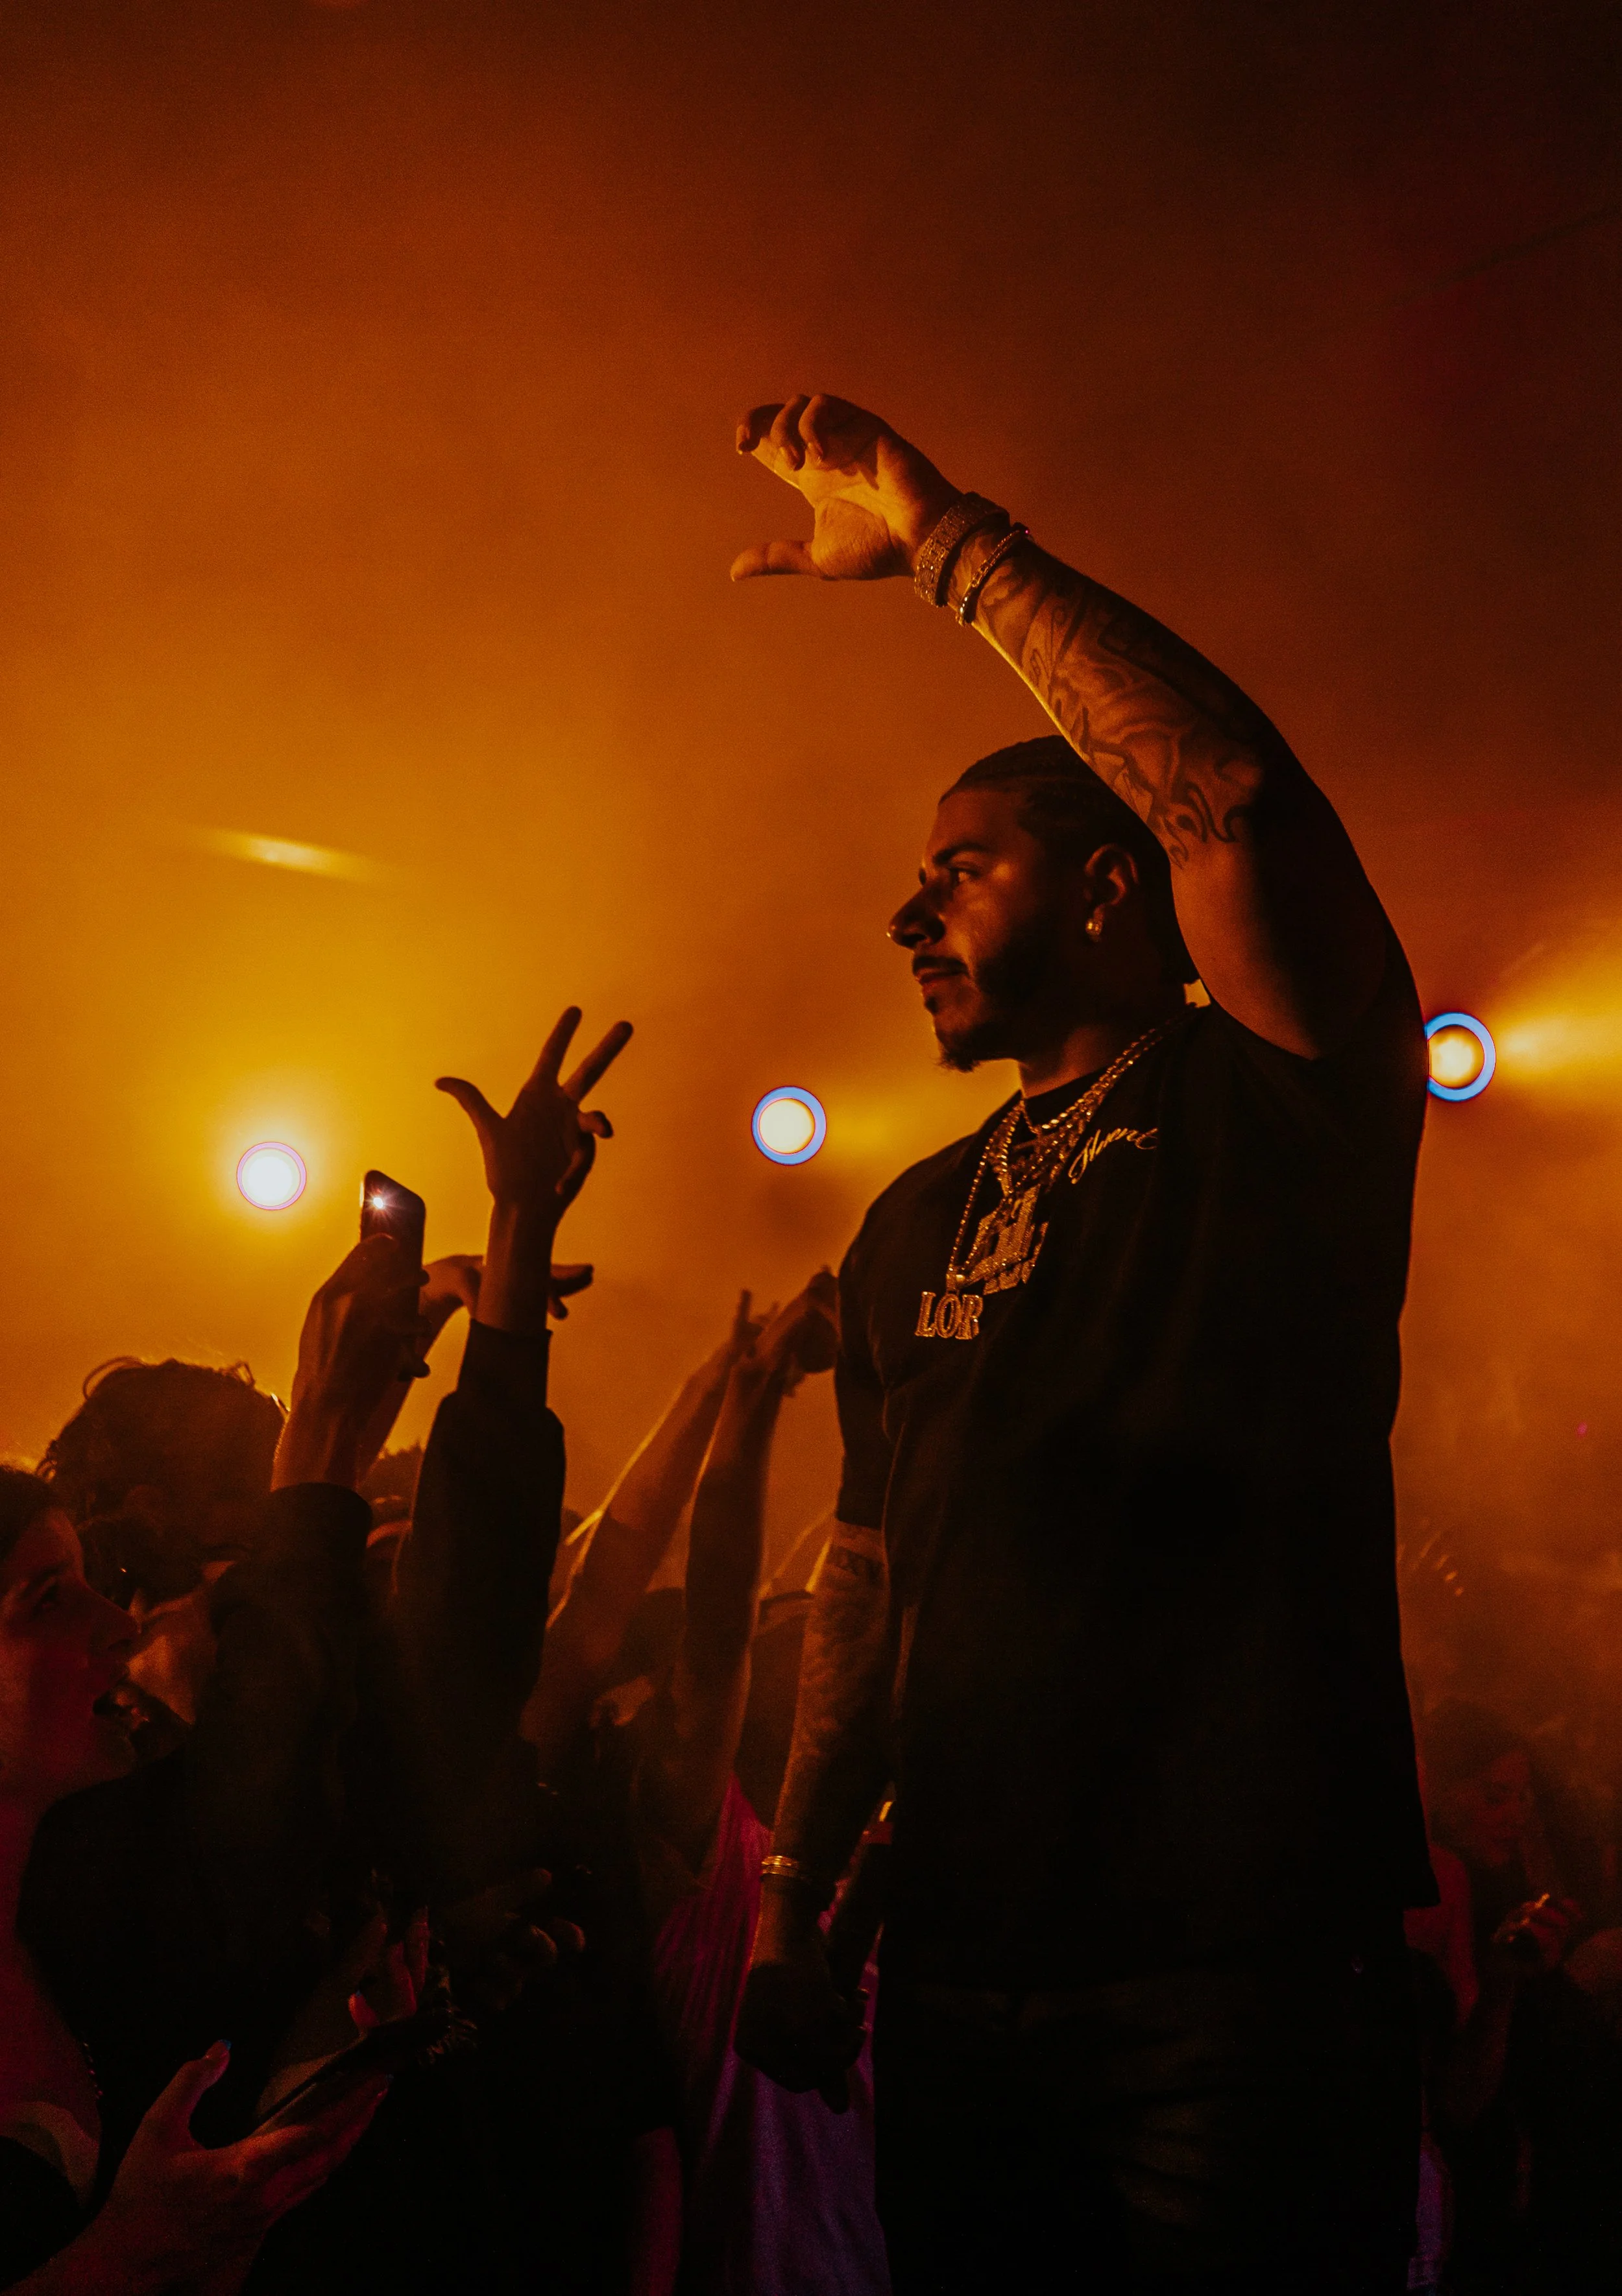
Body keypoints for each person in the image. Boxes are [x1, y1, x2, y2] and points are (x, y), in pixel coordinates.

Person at [729, 393, 1434, 2291]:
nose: (908, 908)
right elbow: (870, 1576)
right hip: (959, 1995)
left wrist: (951, 546)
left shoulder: (1279, 1097)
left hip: (1234, 1990)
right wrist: (799, 1898)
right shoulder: (900, 1225)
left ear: (1112, 889)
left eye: (960, 865)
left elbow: (1223, 795)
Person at [0, 1467, 394, 2291]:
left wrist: (337, 2043)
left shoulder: (75, 1928)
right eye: (46, 1599)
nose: (116, 1622)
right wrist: (118, 2261)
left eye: (90, 1585)